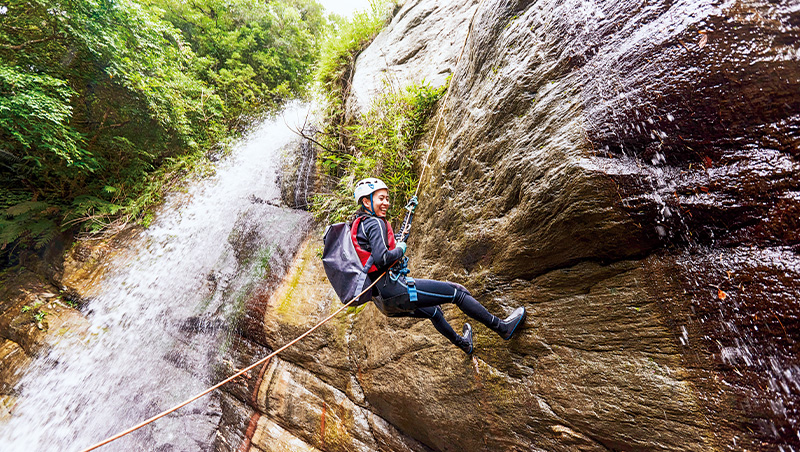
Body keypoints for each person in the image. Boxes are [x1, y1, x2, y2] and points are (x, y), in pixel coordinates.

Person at [351, 177, 526, 354]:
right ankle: (502, 328)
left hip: (383, 301)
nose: (386, 203)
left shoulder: (360, 225)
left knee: (433, 311)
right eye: (381, 198)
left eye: (387, 198)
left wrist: (409, 216)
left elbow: (394, 240)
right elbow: (383, 258)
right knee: (457, 293)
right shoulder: (374, 223)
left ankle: (464, 344)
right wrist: (401, 251)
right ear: (366, 201)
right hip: (395, 289)